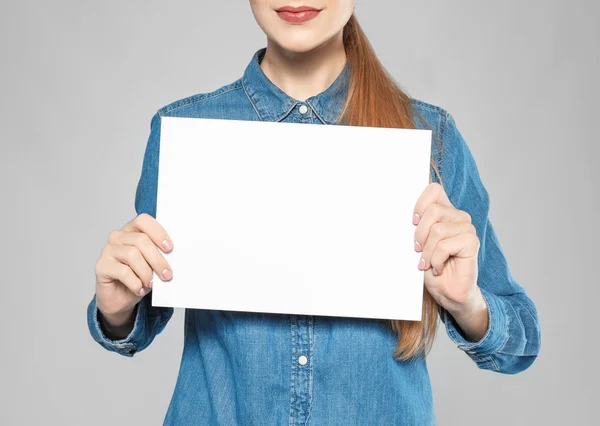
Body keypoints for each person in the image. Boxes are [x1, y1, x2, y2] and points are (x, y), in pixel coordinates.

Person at [87, 1, 541, 424]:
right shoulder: (182, 133)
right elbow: (140, 316)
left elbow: (519, 344)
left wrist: (468, 304)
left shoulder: (429, 137)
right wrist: (115, 310)